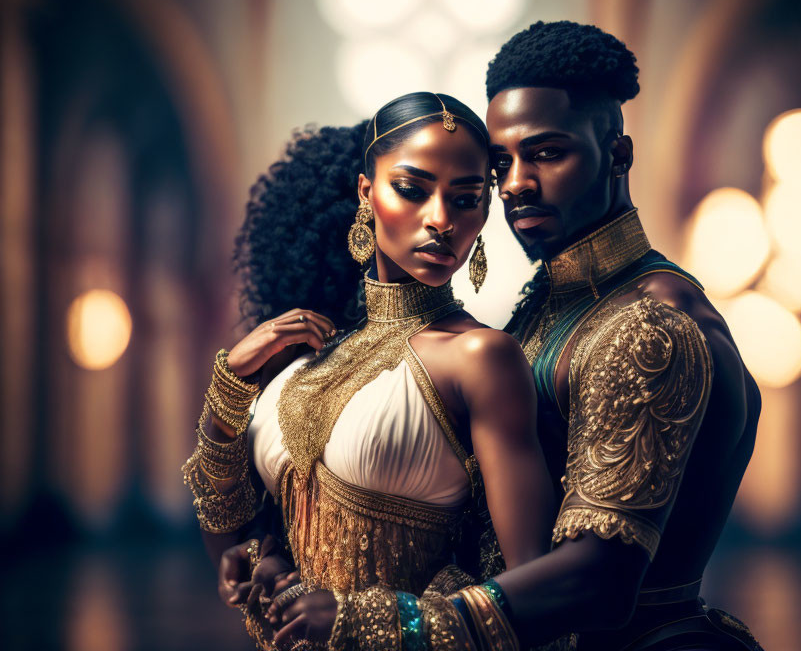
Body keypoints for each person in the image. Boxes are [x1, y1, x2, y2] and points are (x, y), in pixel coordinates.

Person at [266, 22, 764, 650]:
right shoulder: (551, 304)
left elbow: (600, 583)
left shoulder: (646, 326)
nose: (516, 183)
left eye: (547, 153)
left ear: (617, 155)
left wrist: (375, 621)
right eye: (501, 163)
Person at [182, 92, 556, 649]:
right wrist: (228, 388)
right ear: (366, 191)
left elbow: (534, 588)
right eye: (412, 189)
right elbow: (229, 539)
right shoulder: (316, 353)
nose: (441, 220)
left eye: (466, 199)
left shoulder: (481, 357)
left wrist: (369, 621)